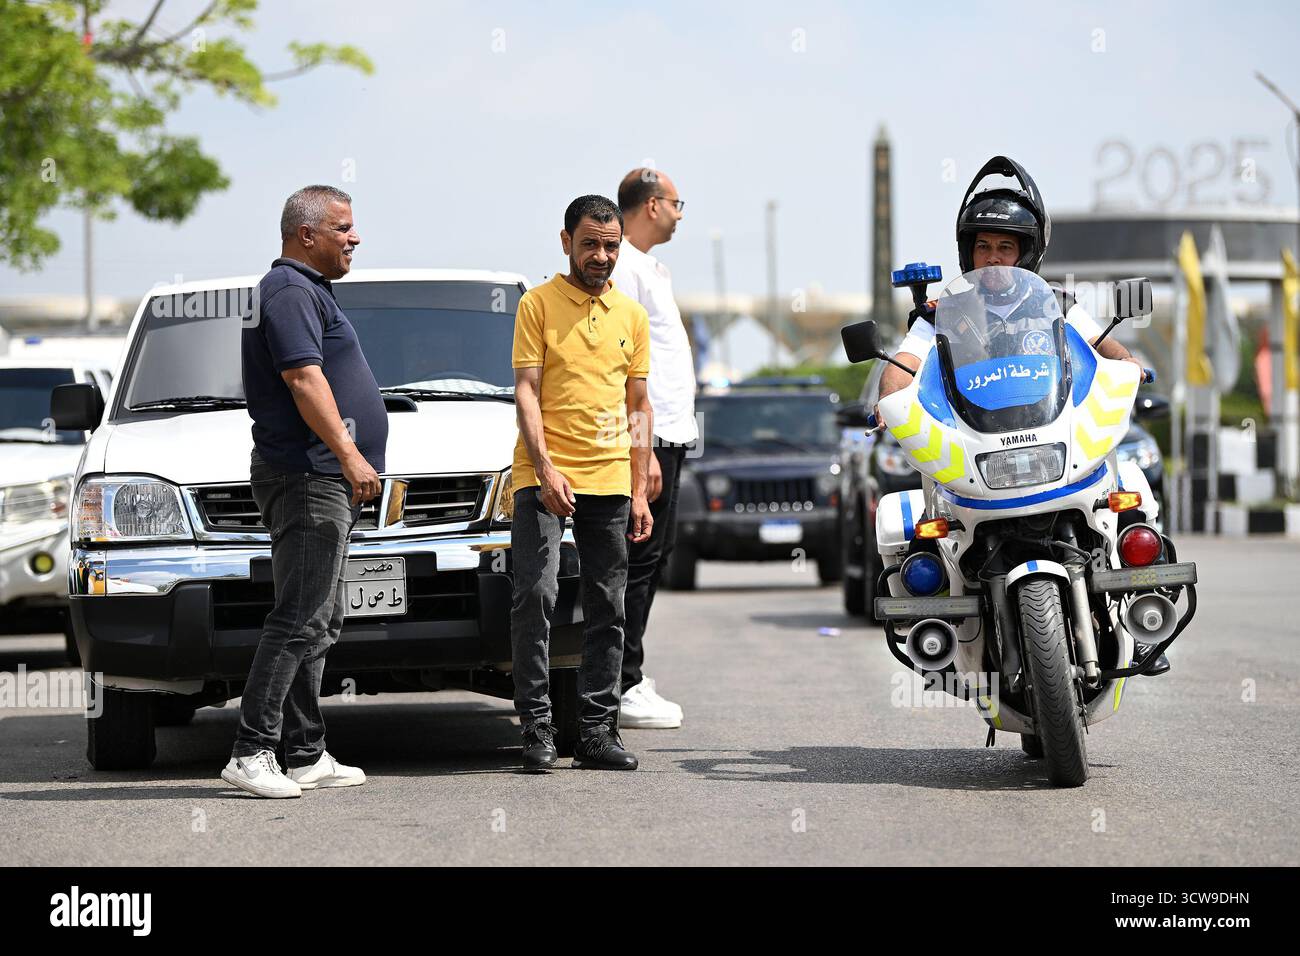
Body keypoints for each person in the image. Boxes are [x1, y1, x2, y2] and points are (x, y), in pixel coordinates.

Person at [876, 156, 1168, 676]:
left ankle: (1144, 616)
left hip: (1051, 433)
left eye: (1005, 247)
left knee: (1132, 494)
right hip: (977, 445)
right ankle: (941, 625)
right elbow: (903, 368)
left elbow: (1108, 350)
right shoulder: (939, 314)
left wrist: (1132, 369)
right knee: (922, 531)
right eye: (983, 247)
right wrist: (888, 399)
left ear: (1026, 253)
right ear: (969, 254)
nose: (993, 259)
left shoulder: (1057, 305)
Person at [224, 185, 385, 799]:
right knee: (297, 617)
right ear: (306, 234)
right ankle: (250, 752)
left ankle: (306, 753)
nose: (355, 237)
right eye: (343, 227)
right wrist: (348, 454)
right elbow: (301, 376)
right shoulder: (290, 290)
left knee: (320, 619)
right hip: (309, 475)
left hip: (320, 476)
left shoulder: (306, 290)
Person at [510, 194, 654, 772]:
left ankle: (597, 731)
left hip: (611, 477)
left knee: (608, 605)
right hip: (542, 474)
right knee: (535, 597)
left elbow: (638, 404)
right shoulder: (537, 305)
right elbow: (525, 389)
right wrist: (545, 467)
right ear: (566, 241)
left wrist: (640, 487)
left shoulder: (631, 316)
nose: (601, 255)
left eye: (611, 245)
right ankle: (538, 728)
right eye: (590, 243)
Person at [609, 167, 694, 729]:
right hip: (651, 439)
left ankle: (629, 674)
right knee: (636, 563)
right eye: (676, 201)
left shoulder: (651, 267)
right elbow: (622, 369)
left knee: (652, 560)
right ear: (650, 205)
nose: (681, 212)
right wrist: (642, 458)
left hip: (674, 434)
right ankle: (623, 683)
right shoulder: (625, 270)